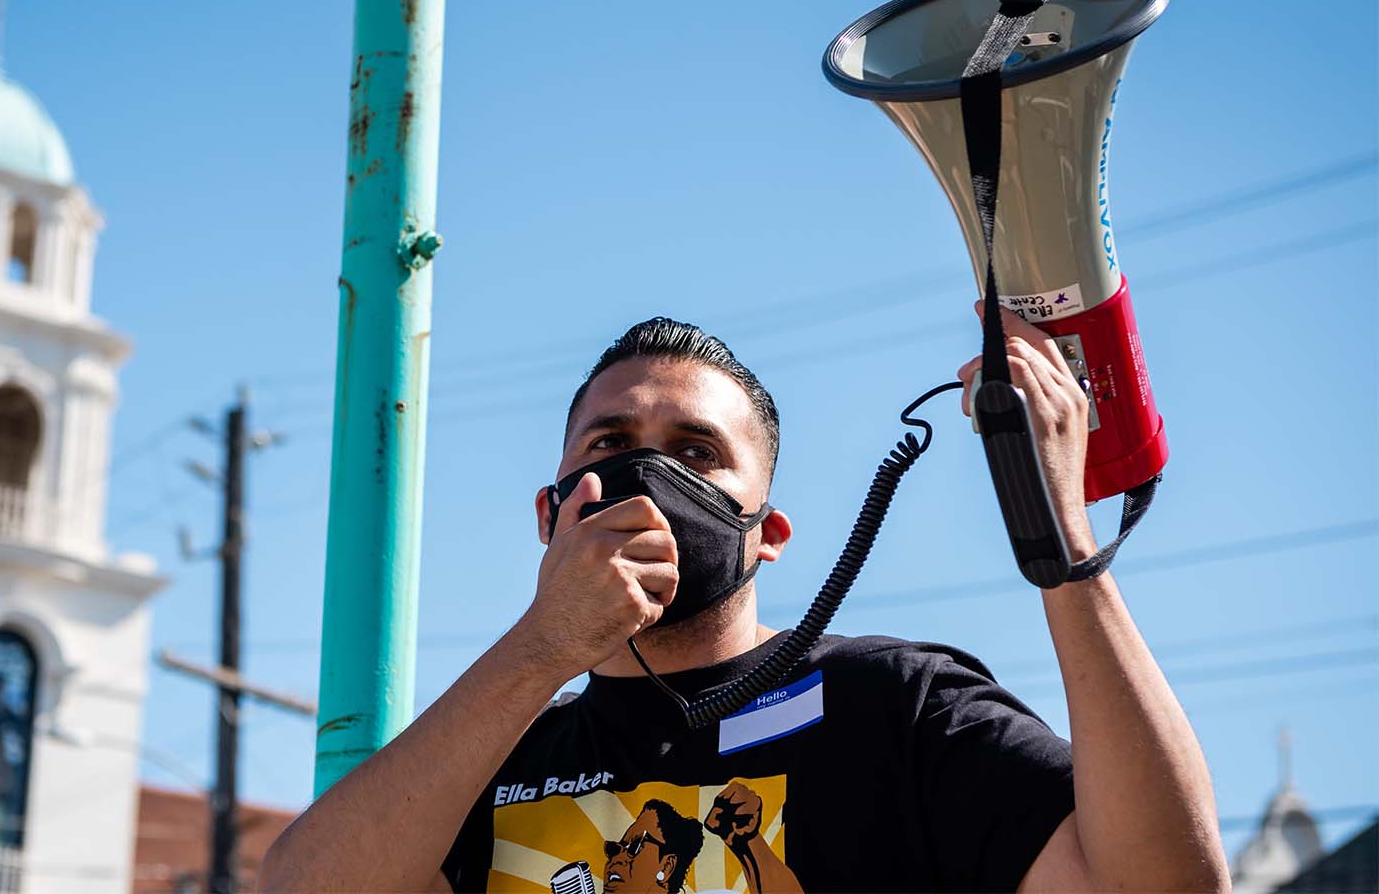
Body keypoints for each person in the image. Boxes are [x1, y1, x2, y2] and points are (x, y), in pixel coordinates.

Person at [261, 314, 1226, 892]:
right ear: (551, 515)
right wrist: (537, 650)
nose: (646, 473)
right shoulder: (490, 758)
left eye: (696, 453)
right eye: (608, 446)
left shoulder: (896, 706)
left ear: (767, 532)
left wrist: (1064, 545)